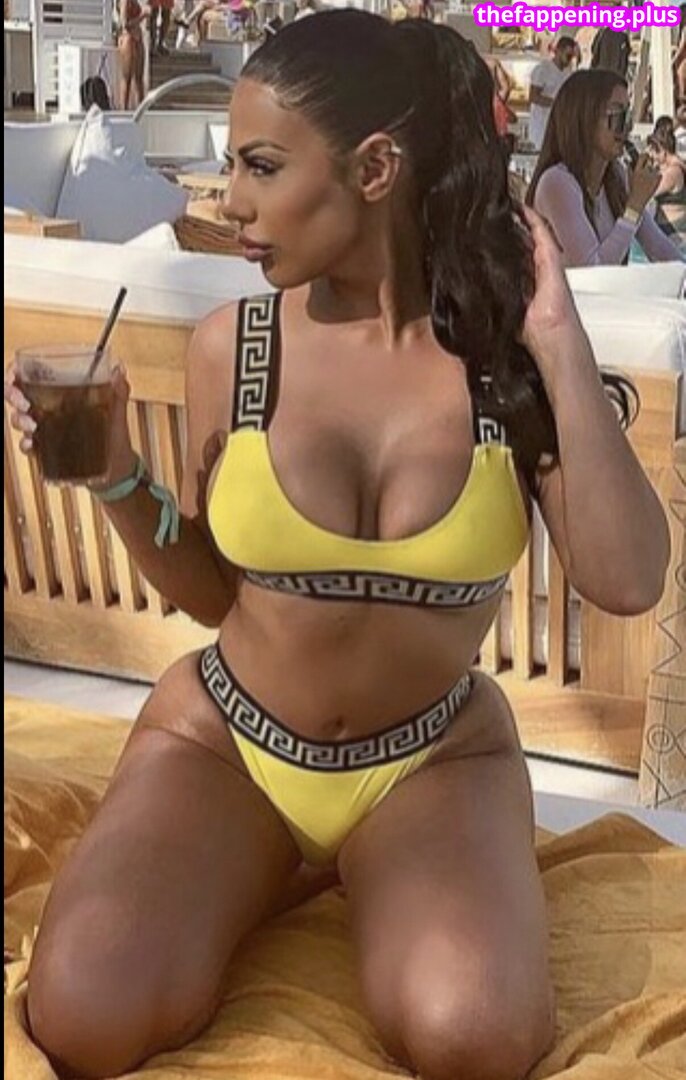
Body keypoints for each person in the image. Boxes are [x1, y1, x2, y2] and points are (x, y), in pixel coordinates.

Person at [5, 13, 670, 1080]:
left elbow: (628, 580)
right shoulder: (237, 349)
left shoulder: (498, 363)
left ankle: (338, 869)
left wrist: (556, 337)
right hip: (229, 740)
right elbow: (217, 596)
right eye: (230, 165)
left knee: (475, 1037)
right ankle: (266, 863)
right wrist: (118, 475)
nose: (230, 201)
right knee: (83, 1010)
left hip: (430, 758)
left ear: (374, 169)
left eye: (262, 166)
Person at [527, 70, 683, 266]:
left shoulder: (616, 178)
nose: (626, 128)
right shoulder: (557, 182)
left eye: (628, 117)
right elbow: (593, 268)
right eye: (617, 117)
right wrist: (634, 205)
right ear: (585, 119)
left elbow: (658, 247)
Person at [528, 36, 577, 150]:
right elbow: (533, 96)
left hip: (558, 124)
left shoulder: (568, 72)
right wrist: (556, 103)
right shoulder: (543, 69)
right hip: (541, 126)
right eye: (568, 56)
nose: (569, 60)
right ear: (558, 51)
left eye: (571, 57)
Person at [647, 128, 686, 251]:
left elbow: (648, 192)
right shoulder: (676, 166)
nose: (651, 155)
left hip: (674, 231)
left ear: (663, 150)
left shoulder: (672, 172)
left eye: (653, 150)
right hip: (669, 229)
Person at [117, 0, 148, 109]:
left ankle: (141, 109)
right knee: (127, 77)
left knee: (139, 78)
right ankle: (124, 109)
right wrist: (142, 16)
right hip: (128, 39)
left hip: (137, 38)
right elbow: (125, 24)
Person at [590, 1, 630, 79]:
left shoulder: (602, 33)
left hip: (600, 74)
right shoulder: (623, 37)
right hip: (615, 76)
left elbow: (594, 50)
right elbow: (624, 59)